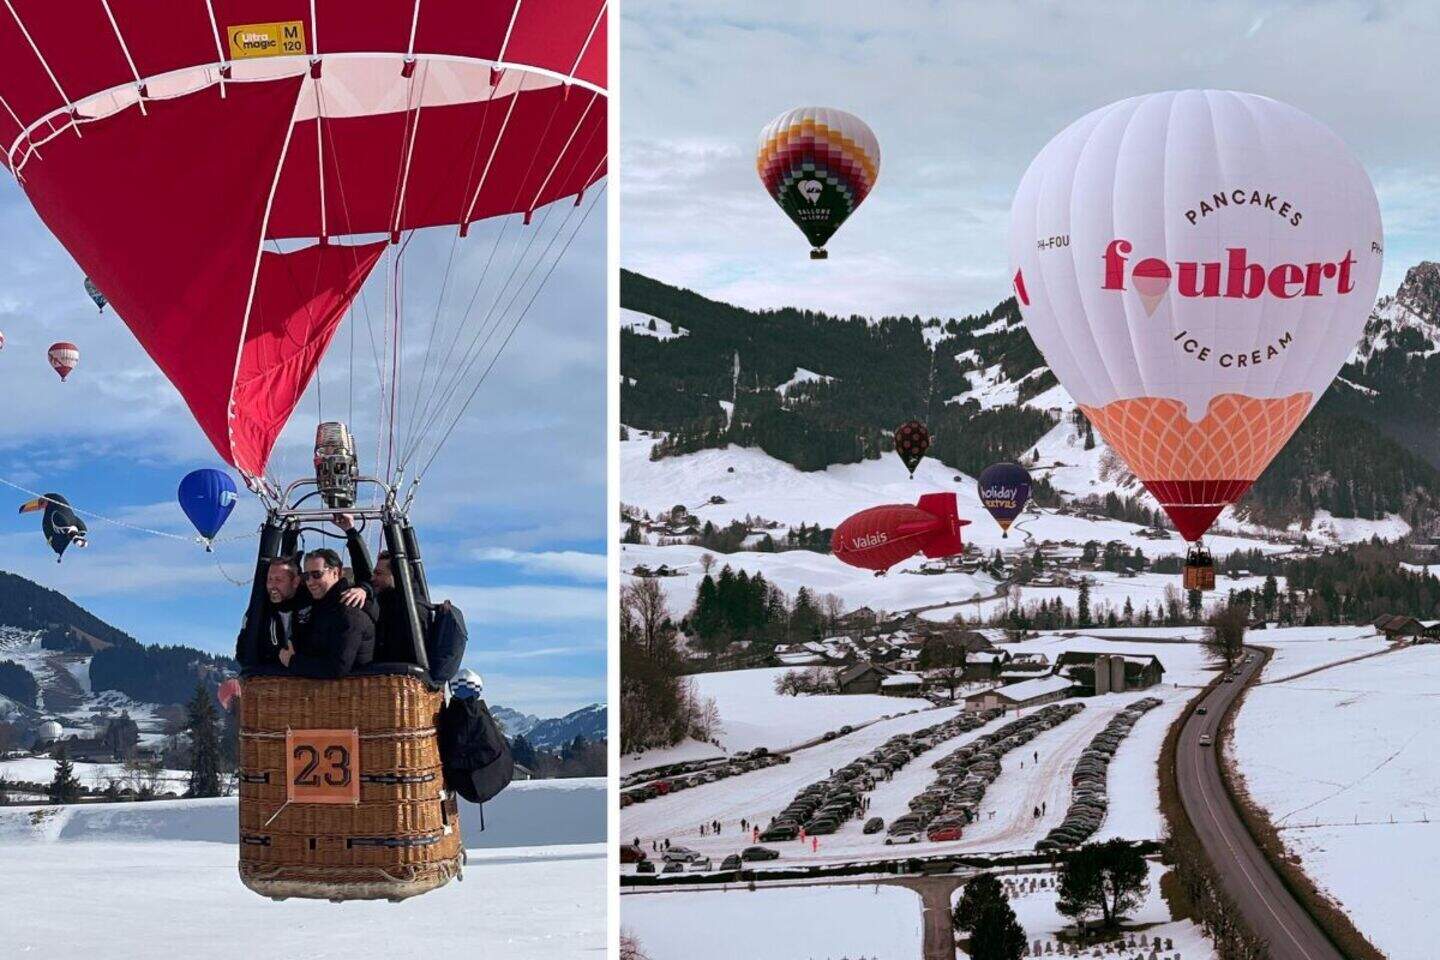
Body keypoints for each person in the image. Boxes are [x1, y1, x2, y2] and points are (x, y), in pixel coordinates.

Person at [279, 548, 376, 678]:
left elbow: (337, 668)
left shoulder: (349, 610)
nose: (310, 582)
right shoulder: (318, 606)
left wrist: (292, 662)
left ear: (335, 573)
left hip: (350, 693)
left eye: (317, 575)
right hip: (321, 693)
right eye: (306, 576)